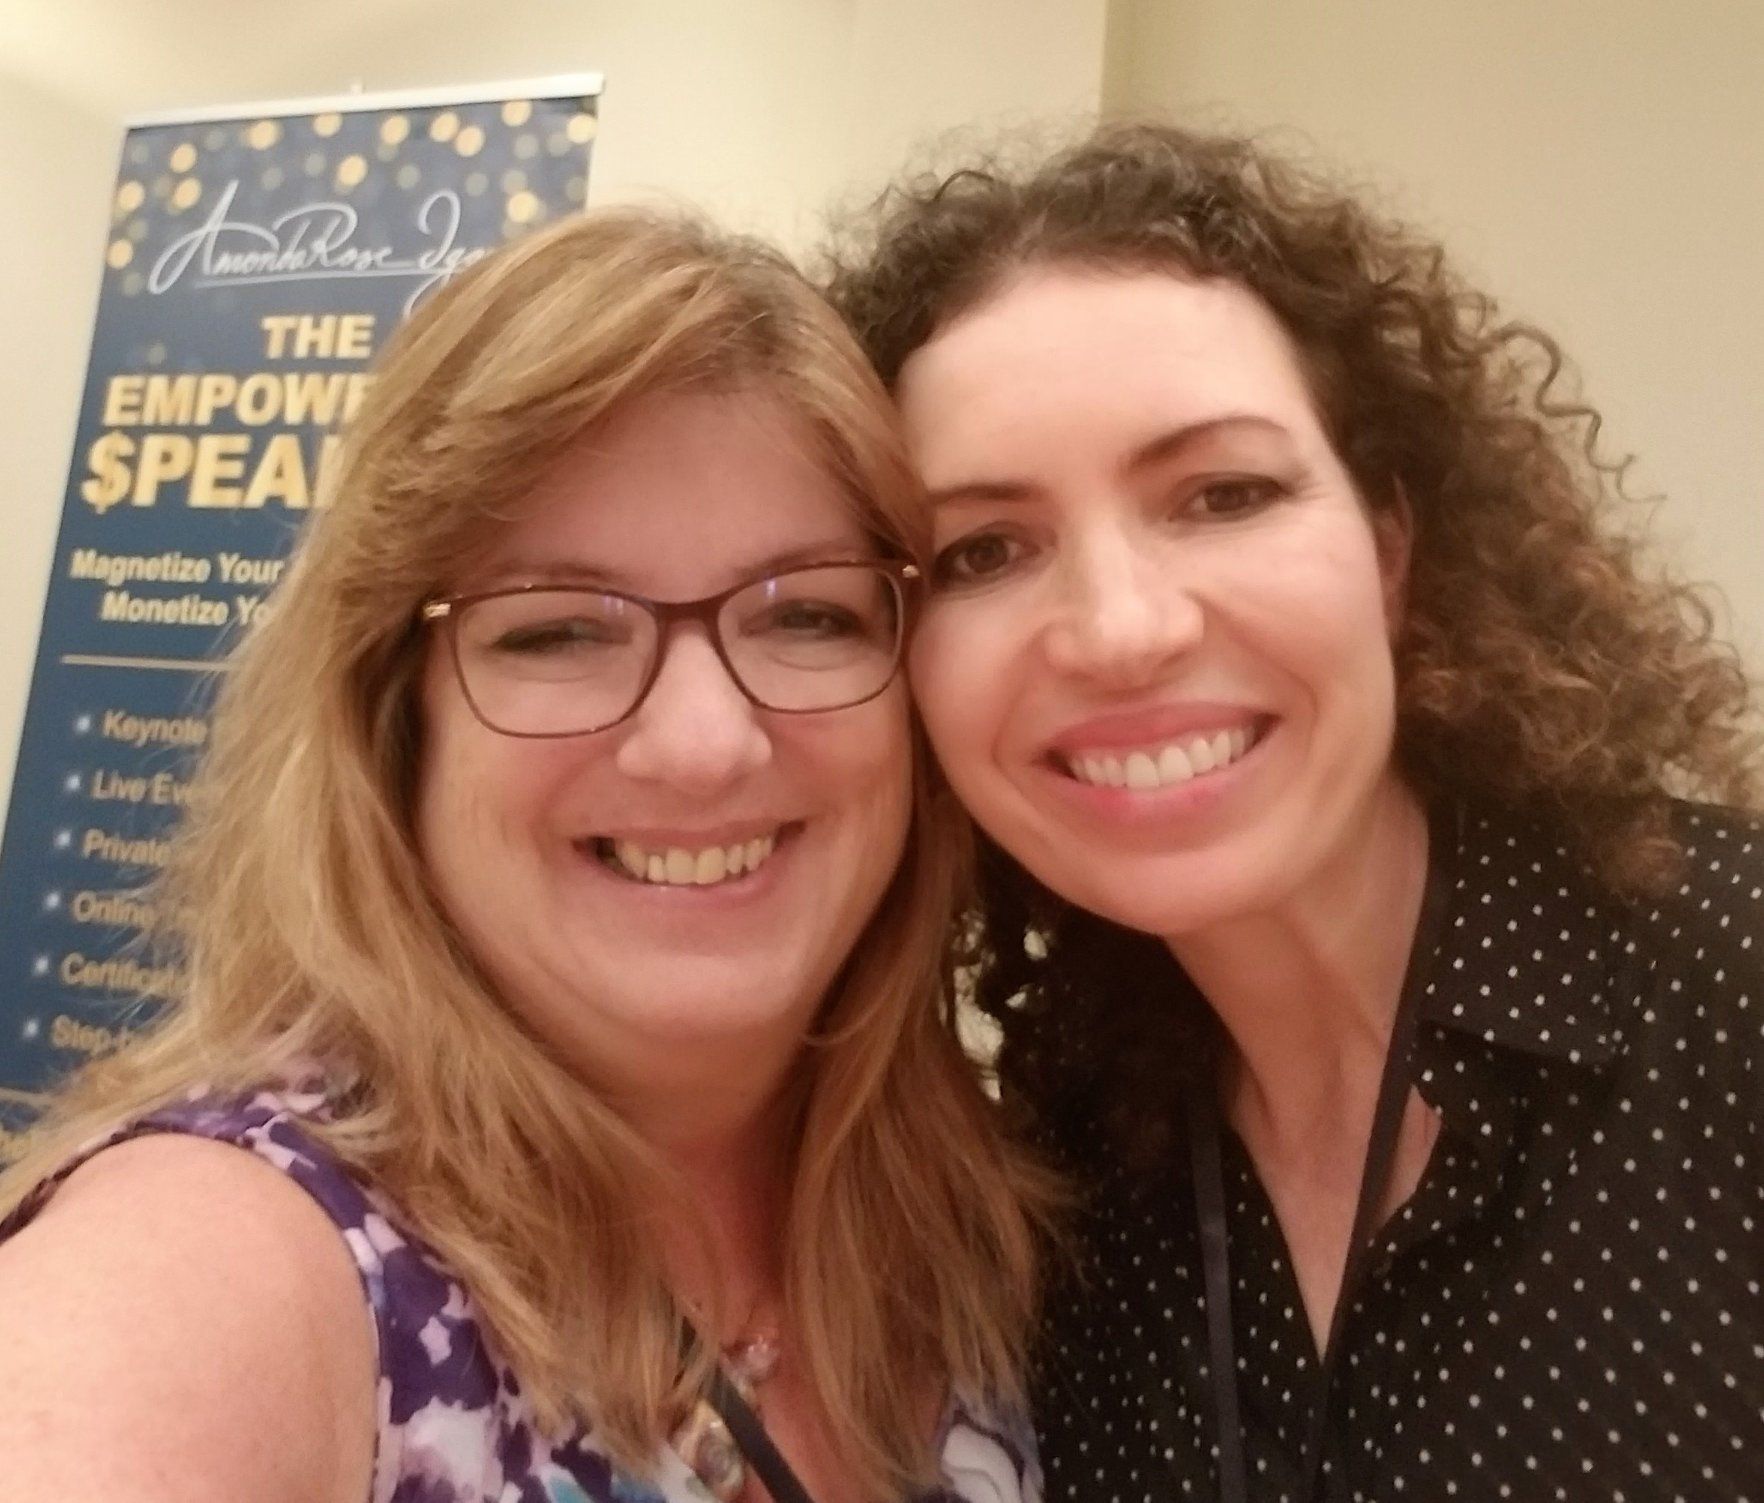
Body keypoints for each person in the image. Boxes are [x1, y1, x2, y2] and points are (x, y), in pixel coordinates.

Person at [0, 207, 1054, 1503]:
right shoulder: (232, 1270)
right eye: (558, 632)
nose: (705, 744)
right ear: (397, 722)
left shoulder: (989, 1229)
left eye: (809, 617)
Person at [826, 123, 1764, 1501]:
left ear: (1389, 553)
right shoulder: (1058, 1172)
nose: (1121, 630)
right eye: (984, 551)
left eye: (1224, 494)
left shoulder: (1730, 997)